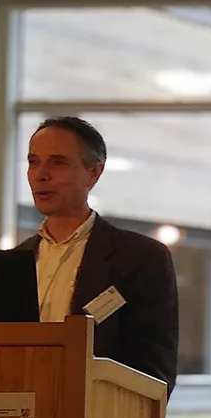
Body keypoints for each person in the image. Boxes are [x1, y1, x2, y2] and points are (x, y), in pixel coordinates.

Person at [17, 117, 179, 397]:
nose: (41, 174)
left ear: (93, 174)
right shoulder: (15, 261)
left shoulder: (139, 258)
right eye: (33, 162)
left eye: (57, 162)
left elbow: (154, 375)